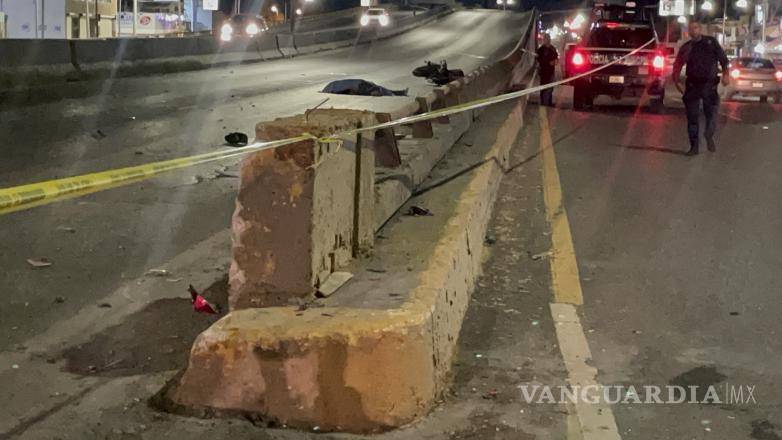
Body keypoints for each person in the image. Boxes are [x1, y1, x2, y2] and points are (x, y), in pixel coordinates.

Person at [672, 21, 730, 156]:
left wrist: (726, 75)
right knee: (692, 117)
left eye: (696, 28)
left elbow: (723, 60)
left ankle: (709, 135)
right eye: (691, 29)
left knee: (711, 114)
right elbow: (677, 65)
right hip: (692, 85)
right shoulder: (687, 47)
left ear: (701, 29)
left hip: (709, 85)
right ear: (688, 31)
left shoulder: (711, 42)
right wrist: (676, 81)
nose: (694, 31)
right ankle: (694, 147)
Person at [536, 33, 559, 107]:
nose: (547, 40)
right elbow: (538, 59)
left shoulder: (552, 49)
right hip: (543, 71)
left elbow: (556, 58)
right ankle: (543, 102)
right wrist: (547, 63)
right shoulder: (541, 49)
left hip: (551, 71)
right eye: (546, 39)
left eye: (548, 38)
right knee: (543, 86)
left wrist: (555, 62)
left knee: (550, 87)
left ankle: (549, 102)